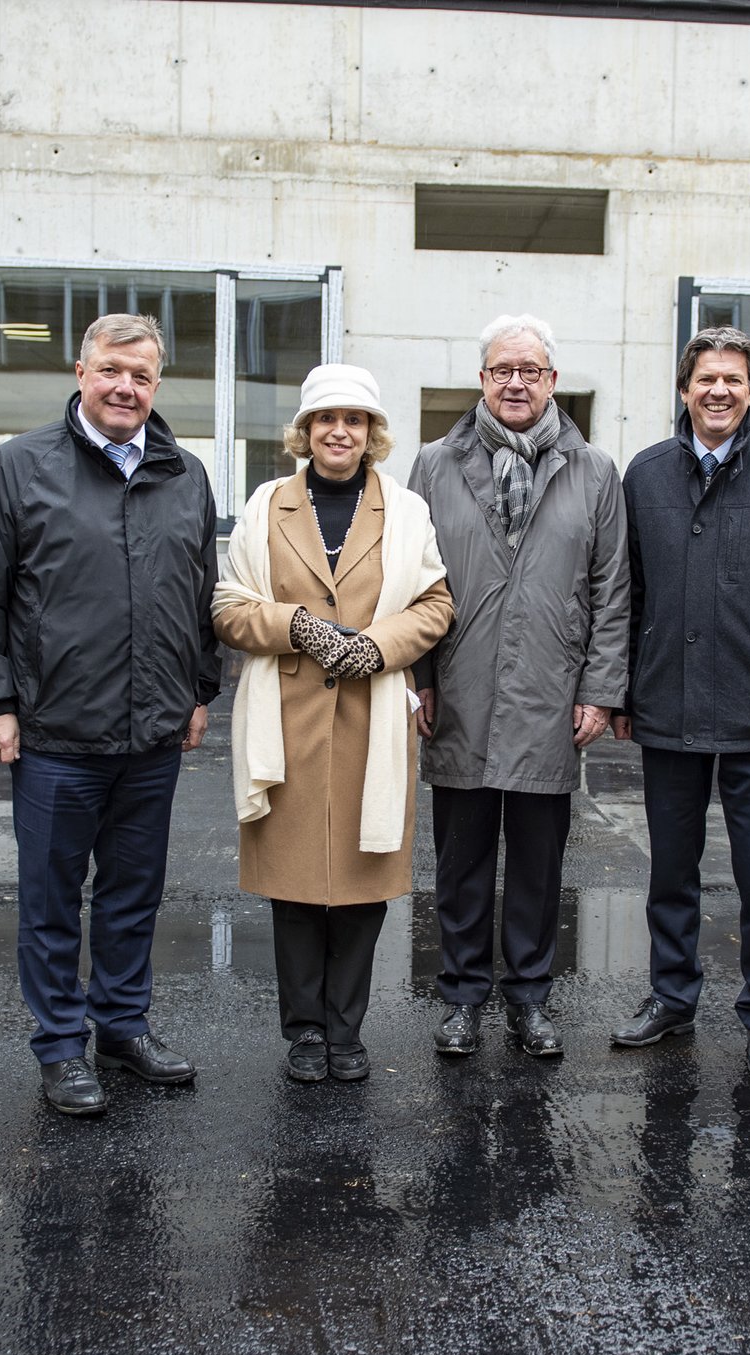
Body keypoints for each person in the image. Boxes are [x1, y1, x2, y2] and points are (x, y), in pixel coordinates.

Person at [0, 313, 222, 1118]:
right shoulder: (18, 466)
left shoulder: (186, 474)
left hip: (153, 736)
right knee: (51, 897)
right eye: (111, 370)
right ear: (80, 371)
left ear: (157, 385)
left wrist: (200, 690)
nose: (124, 387)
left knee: (133, 893)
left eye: (140, 376)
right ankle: (62, 1046)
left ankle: (122, 1025)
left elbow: (200, 594)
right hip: (54, 733)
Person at [213, 364, 454, 1082]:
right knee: (293, 885)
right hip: (284, 717)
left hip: (371, 716)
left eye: (354, 419)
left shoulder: (405, 510)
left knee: (359, 880)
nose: (339, 431)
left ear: (373, 432)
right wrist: (298, 627)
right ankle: (305, 1033)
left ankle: (346, 1030)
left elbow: (435, 604)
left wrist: (377, 647)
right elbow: (228, 603)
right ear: (306, 432)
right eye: (326, 419)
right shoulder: (267, 505)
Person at [610, 327, 750, 1080]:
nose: (718, 391)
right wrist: (623, 687)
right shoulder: (644, 474)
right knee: (670, 869)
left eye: (733, 380)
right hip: (667, 705)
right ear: (684, 389)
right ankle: (672, 997)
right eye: (706, 378)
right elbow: (626, 591)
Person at [408, 314, 630, 1059]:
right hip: (461, 688)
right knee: (461, 860)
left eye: (530, 370)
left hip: (550, 688)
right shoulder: (435, 464)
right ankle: (463, 997)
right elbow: (413, 582)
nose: (515, 382)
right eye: (503, 369)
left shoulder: (594, 471)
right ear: (481, 378)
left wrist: (600, 688)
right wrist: (419, 679)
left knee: (538, 864)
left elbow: (611, 587)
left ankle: (530, 997)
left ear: (552, 381)